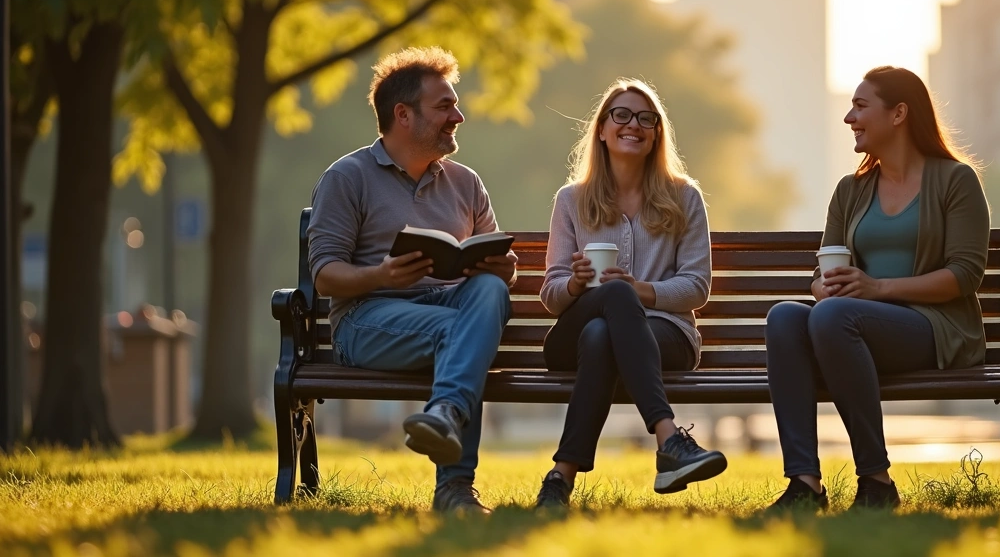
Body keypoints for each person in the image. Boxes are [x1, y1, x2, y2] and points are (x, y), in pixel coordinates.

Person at [765, 66, 990, 511]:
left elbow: (965, 275)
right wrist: (824, 290)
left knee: (832, 317)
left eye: (860, 106)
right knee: (785, 317)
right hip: (853, 327)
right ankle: (804, 485)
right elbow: (823, 274)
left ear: (899, 113)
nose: (849, 117)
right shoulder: (851, 190)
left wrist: (877, 288)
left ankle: (875, 480)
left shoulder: (955, 180)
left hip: (933, 329)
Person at [307, 47, 517, 514]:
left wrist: (502, 269)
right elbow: (324, 276)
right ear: (403, 114)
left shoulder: (466, 183)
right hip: (367, 318)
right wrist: (380, 274)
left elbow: (494, 256)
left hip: (447, 307)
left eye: (455, 105)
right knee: (458, 333)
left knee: (487, 290)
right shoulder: (347, 178)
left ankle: (444, 412)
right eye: (444, 107)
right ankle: (455, 490)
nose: (458, 116)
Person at [533, 78, 727, 508]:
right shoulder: (571, 200)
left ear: (657, 132)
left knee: (605, 331)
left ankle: (559, 478)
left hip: (666, 335)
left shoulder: (684, 198)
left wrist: (641, 291)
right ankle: (669, 441)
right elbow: (551, 293)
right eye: (621, 115)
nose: (633, 125)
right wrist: (576, 284)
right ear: (601, 128)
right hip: (571, 337)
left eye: (646, 118)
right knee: (610, 305)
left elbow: (697, 287)